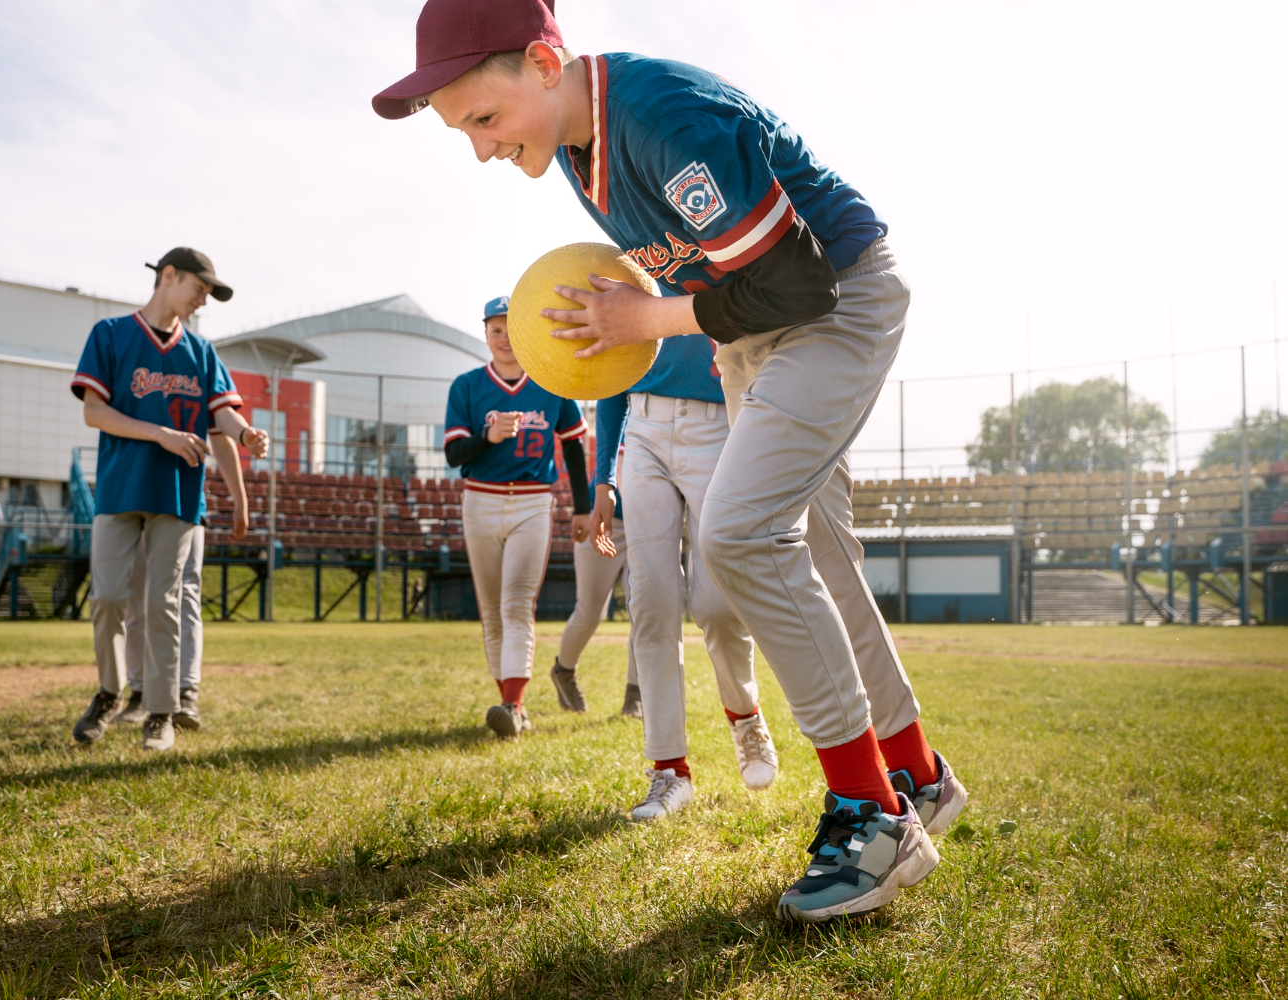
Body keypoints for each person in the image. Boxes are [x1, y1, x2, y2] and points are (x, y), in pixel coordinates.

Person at [374, 0, 967, 922]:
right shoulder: (571, 144)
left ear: (544, 63)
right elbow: (724, 280)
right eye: (464, 133)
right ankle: (919, 776)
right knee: (818, 550)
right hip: (758, 333)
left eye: (484, 118)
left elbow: (797, 280)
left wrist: (642, 318)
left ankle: (872, 812)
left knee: (741, 533)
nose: (482, 149)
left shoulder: (657, 115)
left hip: (834, 300)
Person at [70, 247, 268, 751]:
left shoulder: (201, 351)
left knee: (164, 603)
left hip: (178, 494)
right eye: (200, 289)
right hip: (120, 488)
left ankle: (161, 712)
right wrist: (162, 434)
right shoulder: (110, 334)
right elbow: (94, 412)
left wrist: (245, 434)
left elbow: (222, 415)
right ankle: (109, 693)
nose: (203, 300)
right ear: (169, 276)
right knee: (107, 597)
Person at [589, 335, 780, 824]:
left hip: (722, 424)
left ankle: (745, 714)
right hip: (643, 428)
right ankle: (669, 768)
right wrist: (603, 478)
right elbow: (613, 371)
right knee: (651, 601)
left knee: (717, 603)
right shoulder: (633, 273)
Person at [444, 295, 591, 739]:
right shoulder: (467, 385)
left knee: (517, 604)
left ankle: (511, 704)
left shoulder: (550, 380)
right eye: (496, 329)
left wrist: (582, 506)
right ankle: (513, 707)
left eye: (511, 328)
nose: (504, 337)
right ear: (485, 334)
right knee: (492, 610)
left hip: (532, 501)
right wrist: (488, 437)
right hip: (481, 499)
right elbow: (454, 454)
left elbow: (573, 445)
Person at [116, 429, 251, 730]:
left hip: (185, 500)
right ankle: (140, 691)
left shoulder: (202, 393)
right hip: (137, 497)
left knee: (186, 595)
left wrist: (240, 500)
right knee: (137, 599)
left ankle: (185, 693)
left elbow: (220, 432)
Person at [551, 434, 639, 719]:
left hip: (648, 522)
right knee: (590, 613)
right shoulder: (629, 413)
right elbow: (620, 467)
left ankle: (636, 693)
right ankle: (563, 671)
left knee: (645, 609)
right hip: (603, 518)